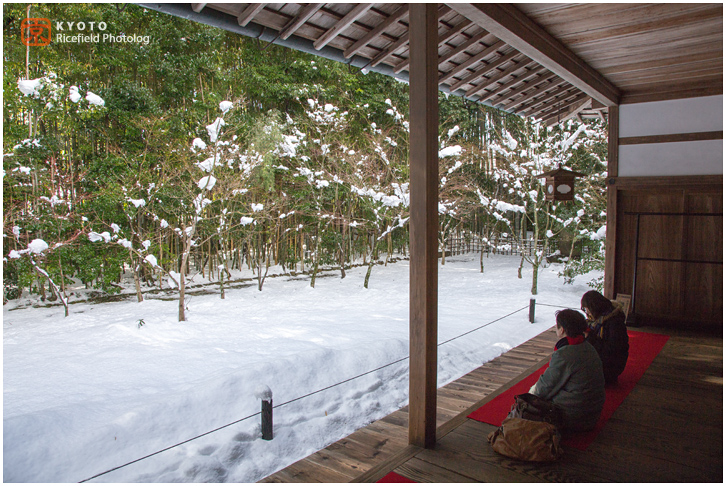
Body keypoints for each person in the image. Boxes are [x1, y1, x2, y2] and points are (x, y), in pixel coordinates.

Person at [529, 309, 605, 432]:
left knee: (531, 404)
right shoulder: (589, 347)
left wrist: (528, 396)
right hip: (593, 413)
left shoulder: (565, 354)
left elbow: (544, 388)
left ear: (562, 329)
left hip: (573, 417)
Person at [581, 290, 629, 385]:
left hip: (610, 367)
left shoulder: (614, 324)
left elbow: (611, 351)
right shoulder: (600, 320)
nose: (587, 313)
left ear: (594, 307)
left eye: (587, 309)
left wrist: (589, 336)